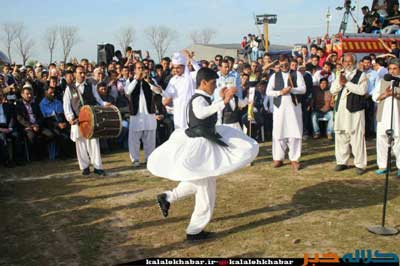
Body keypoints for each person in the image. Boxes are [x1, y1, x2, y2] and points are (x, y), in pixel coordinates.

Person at [148, 67, 259, 241]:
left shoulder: (203, 98)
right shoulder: (198, 100)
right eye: (213, 83)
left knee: (198, 181)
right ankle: (194, 231)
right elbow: (201, 113)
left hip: (203, 143)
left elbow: (208, 111)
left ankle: (168, 197)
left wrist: (221, 98)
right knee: (207, 191)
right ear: (204, 82)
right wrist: (224, 101)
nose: (215, 86)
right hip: (200, 145)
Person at [63, 65, 111, 176]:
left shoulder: (91, 85)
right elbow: (66, 105)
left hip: (90, 118)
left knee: (94, 142)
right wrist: (70, 117)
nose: (83, 75)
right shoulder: (69, 88)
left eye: (84, 72)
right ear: (75, 74)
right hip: (77, 120)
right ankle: (84, 167)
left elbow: (97, 98)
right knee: (80, 144)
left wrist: (104, 104)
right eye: (80, 73)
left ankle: (98, 167)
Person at [266, 56, 306, 171]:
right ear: (279, 64)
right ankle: (278, 158)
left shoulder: (296, 74)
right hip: (279, 108)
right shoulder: (274, 76)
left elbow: (303, 89)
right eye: (282, 65)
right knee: (278, 133)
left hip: (294, 108)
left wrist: (291, 90)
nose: (284, 67)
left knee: (295, 133)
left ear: (290, 63)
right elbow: (268, 91)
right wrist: (280, 92)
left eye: (286, 65)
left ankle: (294, 159)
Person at [330, 54, 368, 175]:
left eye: (349, 61)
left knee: (356, 137)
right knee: (341, 135)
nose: (347, 64)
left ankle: (360, 164)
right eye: (345, 62)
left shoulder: (361, 75)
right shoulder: (340, 74)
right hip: (341, 110)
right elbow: (333, 90)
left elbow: (362, 91)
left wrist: (346, 83)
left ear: (354, 62)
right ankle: (342, 161)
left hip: (355, 110)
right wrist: (340, 82)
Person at [125, 62, 162, 167]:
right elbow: (128, 91)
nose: (141, 70)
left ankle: (149, 158)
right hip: (136, 115)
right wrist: (137, 79)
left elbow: (158, 91)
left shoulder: (150, 80)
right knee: (134, 139)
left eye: (142, 68)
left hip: (149, 114)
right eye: (138, 68)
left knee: (150, 138)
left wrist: (149, 82)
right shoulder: (130, 81)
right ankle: (135, 159)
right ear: (135, 70)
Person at [372, 58, 400, 177]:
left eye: (395, 69)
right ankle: (383, 166)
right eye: (390, 69)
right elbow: (374, 96)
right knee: (381, 139)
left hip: (397, 115)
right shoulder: (383, 80)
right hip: (383, 115)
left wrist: (396, 95)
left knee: (398, 140)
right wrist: (385, 95)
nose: (392, 71)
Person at [162, 51, 200, 129]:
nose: (176, 70)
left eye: (178, 67)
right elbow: (167, 95)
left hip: (190, 110)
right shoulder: (173, 80)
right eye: (174, 68)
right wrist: (160, 92)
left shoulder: (190, 77)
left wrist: (191, 60)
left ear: (184, 66)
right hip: (178, 112)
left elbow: (201, 72)